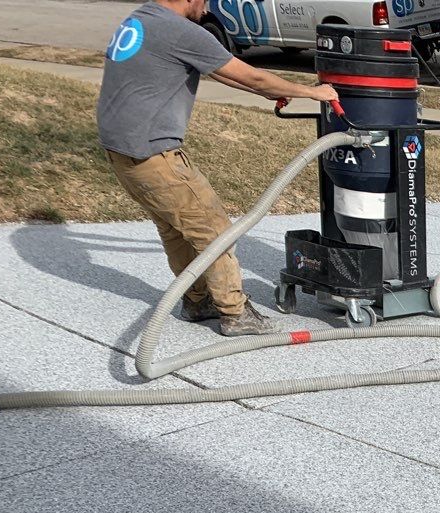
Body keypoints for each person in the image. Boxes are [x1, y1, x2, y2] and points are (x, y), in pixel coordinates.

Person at [96, 0, 339, 336]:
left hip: (123, 155)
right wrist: (312, 92)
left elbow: (223, 70)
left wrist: (267, 92)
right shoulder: (179, 30)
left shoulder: (141, 20)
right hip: (154, 156)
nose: (208, 6)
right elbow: (252, 76)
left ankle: (198, 301)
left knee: (177, 230)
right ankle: (235, 313)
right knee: (214, 229)